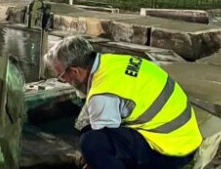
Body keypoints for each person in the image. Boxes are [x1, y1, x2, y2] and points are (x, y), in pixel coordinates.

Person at [45, 36, 201, 169]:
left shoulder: (102, 93)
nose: (65, 81)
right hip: (186, 137)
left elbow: (103, 140)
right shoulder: (113, 62)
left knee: (91, 142)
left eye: (62, 77)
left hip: (173, 151)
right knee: (90, 129)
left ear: (75, 71)